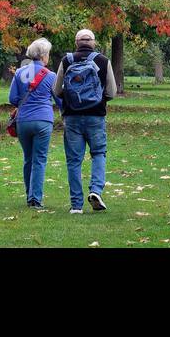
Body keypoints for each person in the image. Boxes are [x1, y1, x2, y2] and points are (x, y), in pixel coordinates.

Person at [54, 29, 117, 214]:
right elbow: (111, 92)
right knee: (98, 153)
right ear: (94, 43)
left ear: (76, 43)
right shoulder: (103, 61)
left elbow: (57, 90)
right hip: (96, 116)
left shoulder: (67, 60)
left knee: (74, 160)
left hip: (72, 117)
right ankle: (96, 191)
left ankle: (76, 205)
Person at [9, 38, 57, 208]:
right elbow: (59, 99)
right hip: (43, 120)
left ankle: (29, 194)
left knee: (28, 158)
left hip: (23, 121)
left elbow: (12, 98)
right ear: (44, 56)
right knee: (40, 159)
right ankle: (35, 198)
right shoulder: (51, 76)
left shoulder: (19, 73)